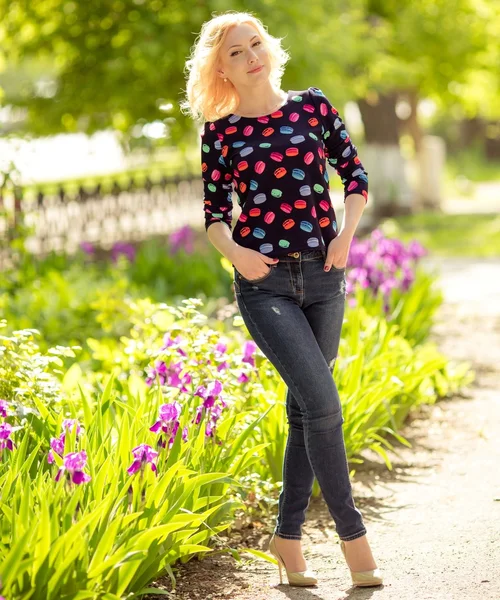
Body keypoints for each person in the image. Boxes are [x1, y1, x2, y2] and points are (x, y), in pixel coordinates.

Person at [183, 10, 383, 589]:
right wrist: (236, 255)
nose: (251, 57)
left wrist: (346, 235)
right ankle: (354, 536)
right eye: (236, 53)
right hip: (264, 284)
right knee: (322, 404)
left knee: (304, 411)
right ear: (221, 69)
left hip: (324, 277)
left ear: (268, 48)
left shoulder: (312, 107)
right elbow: (215, 215)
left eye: (255, 45)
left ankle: (287, 539)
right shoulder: (221, 132)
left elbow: (355, 177)